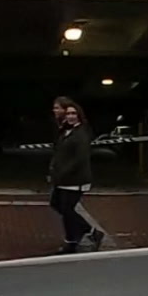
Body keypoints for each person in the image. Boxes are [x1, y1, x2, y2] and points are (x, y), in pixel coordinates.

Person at [44, 96, 107, 253]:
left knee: (67, 210)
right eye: (68, 113)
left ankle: (74, 240)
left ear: (79, 115)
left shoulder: (81, 133)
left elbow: (80, 159)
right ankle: (86, 234)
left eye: (74, 114)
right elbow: (59, 152)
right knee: (57, 205)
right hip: (62, 179)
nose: (70, 116)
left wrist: (63, 173)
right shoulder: (65, 131)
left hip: (75, 180)